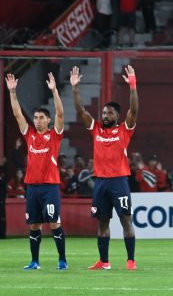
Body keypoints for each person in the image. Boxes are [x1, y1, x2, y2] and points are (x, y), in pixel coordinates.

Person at [70, 65, 139, 271]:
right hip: (100, 182)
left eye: (109, 113)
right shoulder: (96, 129)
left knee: (126, 220)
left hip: (119, 181)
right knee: (102, 223)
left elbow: (134, 110)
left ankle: (131, 261)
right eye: (103, 112)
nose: (105, 115)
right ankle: (104, 261)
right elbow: (81, 111)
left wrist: (133, 87)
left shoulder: (124, 130)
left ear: (117, 116)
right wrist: (75, 89)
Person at [6, 72, 67, 270]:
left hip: (50, 187)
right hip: (32, 187)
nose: (37, 120)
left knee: (54, 223)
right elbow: (17, 114)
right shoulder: (30, 134)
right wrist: (13, 92)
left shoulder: (54, 135)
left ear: (48, 120)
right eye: (35, 117)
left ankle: (62, 260)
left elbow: (60, 114)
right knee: (34, 225)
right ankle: (34, 261)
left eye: (41, 117)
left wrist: (54, 91)